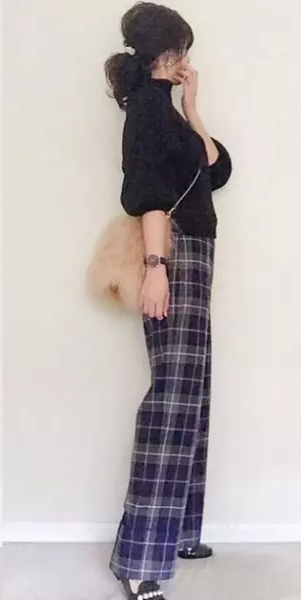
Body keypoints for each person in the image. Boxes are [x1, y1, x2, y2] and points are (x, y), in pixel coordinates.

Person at [104, 3, 232, 599]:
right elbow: (149, 193)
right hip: (173, 254)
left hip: (195, 255)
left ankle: (177, 531)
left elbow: (216, 170)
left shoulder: (168, 110)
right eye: (183, 50)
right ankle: (138, 558)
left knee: (192, 392)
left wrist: (194, 108)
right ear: (168, 53)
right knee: (174, 395)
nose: (188, 60)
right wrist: (157, 268)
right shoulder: (146, 111)